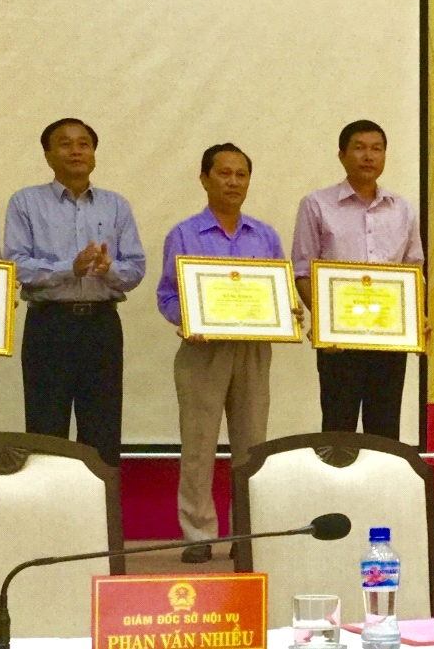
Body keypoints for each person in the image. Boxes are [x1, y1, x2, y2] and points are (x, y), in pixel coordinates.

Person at [157, 143, 294, 563]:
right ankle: (197, 534)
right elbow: (167, 295)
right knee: (198, 445)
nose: (233, 182)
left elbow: (281, 291)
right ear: (204, 179)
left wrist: (287, 312)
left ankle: (244, 533)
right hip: (202, 352)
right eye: (224, 173)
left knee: (252, 446)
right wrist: (188, 320)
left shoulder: (265, 235)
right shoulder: (184, 234)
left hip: (253, 350)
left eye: (241, 174)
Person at [3, 118, 146, 467]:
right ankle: (49, 502)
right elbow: (16, 265)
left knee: (102, 429)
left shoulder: (116, 205)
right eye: (65, 144)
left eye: (84, 143)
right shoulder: (26, 202)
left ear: (94, 154)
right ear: (48, 155)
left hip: (101, 327)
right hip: (49, 326)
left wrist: (109, 269)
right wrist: (71, 267)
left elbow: (135, 269)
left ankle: (101, 501)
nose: (76, 150)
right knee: (45, 429)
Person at [291, 119, 425, 441]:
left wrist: (417, 317)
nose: (369, 156)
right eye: (360, 148)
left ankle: (382, 478)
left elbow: (413, 271)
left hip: (389, 339)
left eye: (377, 149)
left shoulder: (403, 209)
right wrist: (326, 322)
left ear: (385, 156)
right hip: (339, 344)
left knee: (385, 434)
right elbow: (303, 271)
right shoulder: (316, 205)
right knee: (339, 432)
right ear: (341, 155)